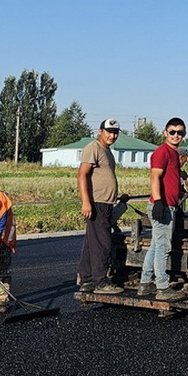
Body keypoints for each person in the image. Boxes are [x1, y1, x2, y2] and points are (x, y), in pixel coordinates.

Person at [137, 117, 188, 301]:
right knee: (163, 247)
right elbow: (155, 177)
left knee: (155, 246)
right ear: (165, 133)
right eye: (172, 132)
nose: (176, 135)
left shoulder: (174, 153)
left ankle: (144, 284)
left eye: (180, 132)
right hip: (162, 206)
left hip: (169, 205)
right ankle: (162, 287)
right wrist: (159, 201)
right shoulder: (162, 152)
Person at [77, 118, 125, 295]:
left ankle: (87, 279)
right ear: (100, 131)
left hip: (105, 202)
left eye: (115, 132)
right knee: (103, 243)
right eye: (109, 131)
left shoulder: (107, 151)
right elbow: (82, 175)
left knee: (92, 243)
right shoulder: (93, 148)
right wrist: (86, 201)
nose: (112, 135)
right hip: (97, 203)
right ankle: (101, 282)